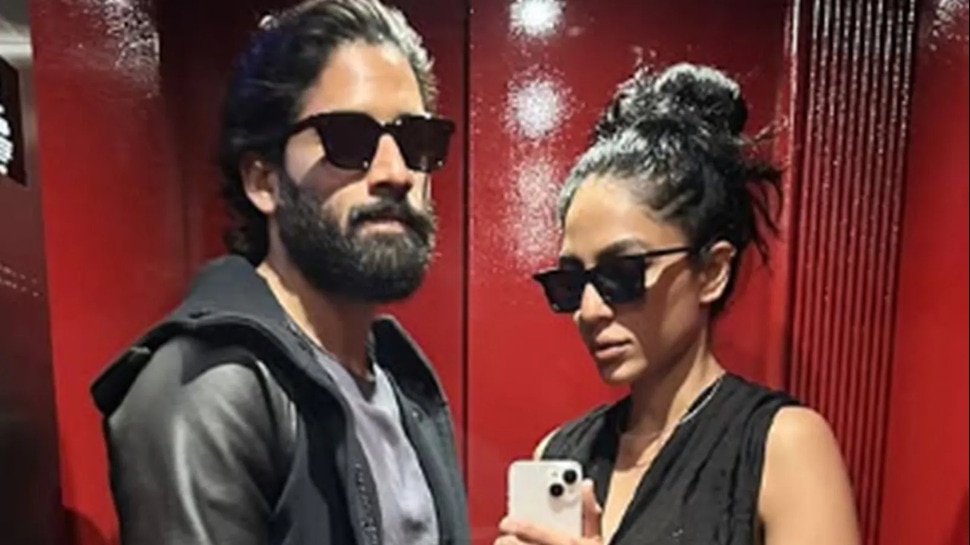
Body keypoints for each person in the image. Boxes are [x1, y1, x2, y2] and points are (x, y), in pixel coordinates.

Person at [89, 1, 468, 544]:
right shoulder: (208, 389)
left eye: (416, 143)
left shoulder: (399, 381)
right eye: (348, 140)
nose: (396, 173)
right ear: (263, 181)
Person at [496, 63, 860, 545]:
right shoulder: (561, 452)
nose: (590, 309)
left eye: (622, 274)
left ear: (711, 272)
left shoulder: (783, 446)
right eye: (571, 283)